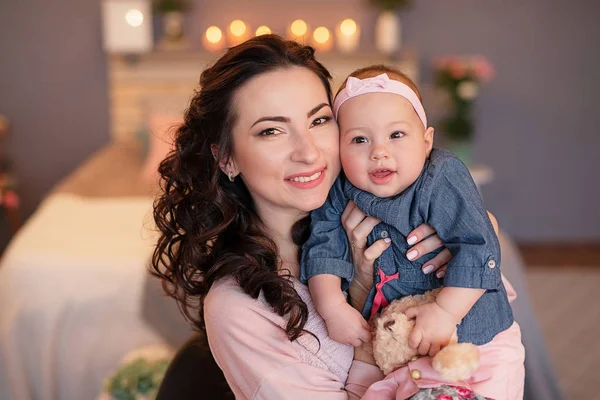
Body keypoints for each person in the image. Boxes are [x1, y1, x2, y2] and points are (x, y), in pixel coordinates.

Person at [151, 34, 492, 399]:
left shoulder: (371, 207)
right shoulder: (238, 307)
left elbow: (479, 254)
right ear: (226, 158)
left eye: (319, 120)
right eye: (271, 131)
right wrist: (363, 305)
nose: (309, 153)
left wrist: (485, 231)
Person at [301, 65, 525, 398]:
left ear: (426, 141)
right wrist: (333, 306)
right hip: (392, 343)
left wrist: (446, 312)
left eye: (396, 135)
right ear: (338, 148)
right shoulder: (340, 189)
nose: (379, 151)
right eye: (359, 139)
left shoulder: (440, 176)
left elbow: (479, 245)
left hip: (473, 338)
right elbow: (322, 248)